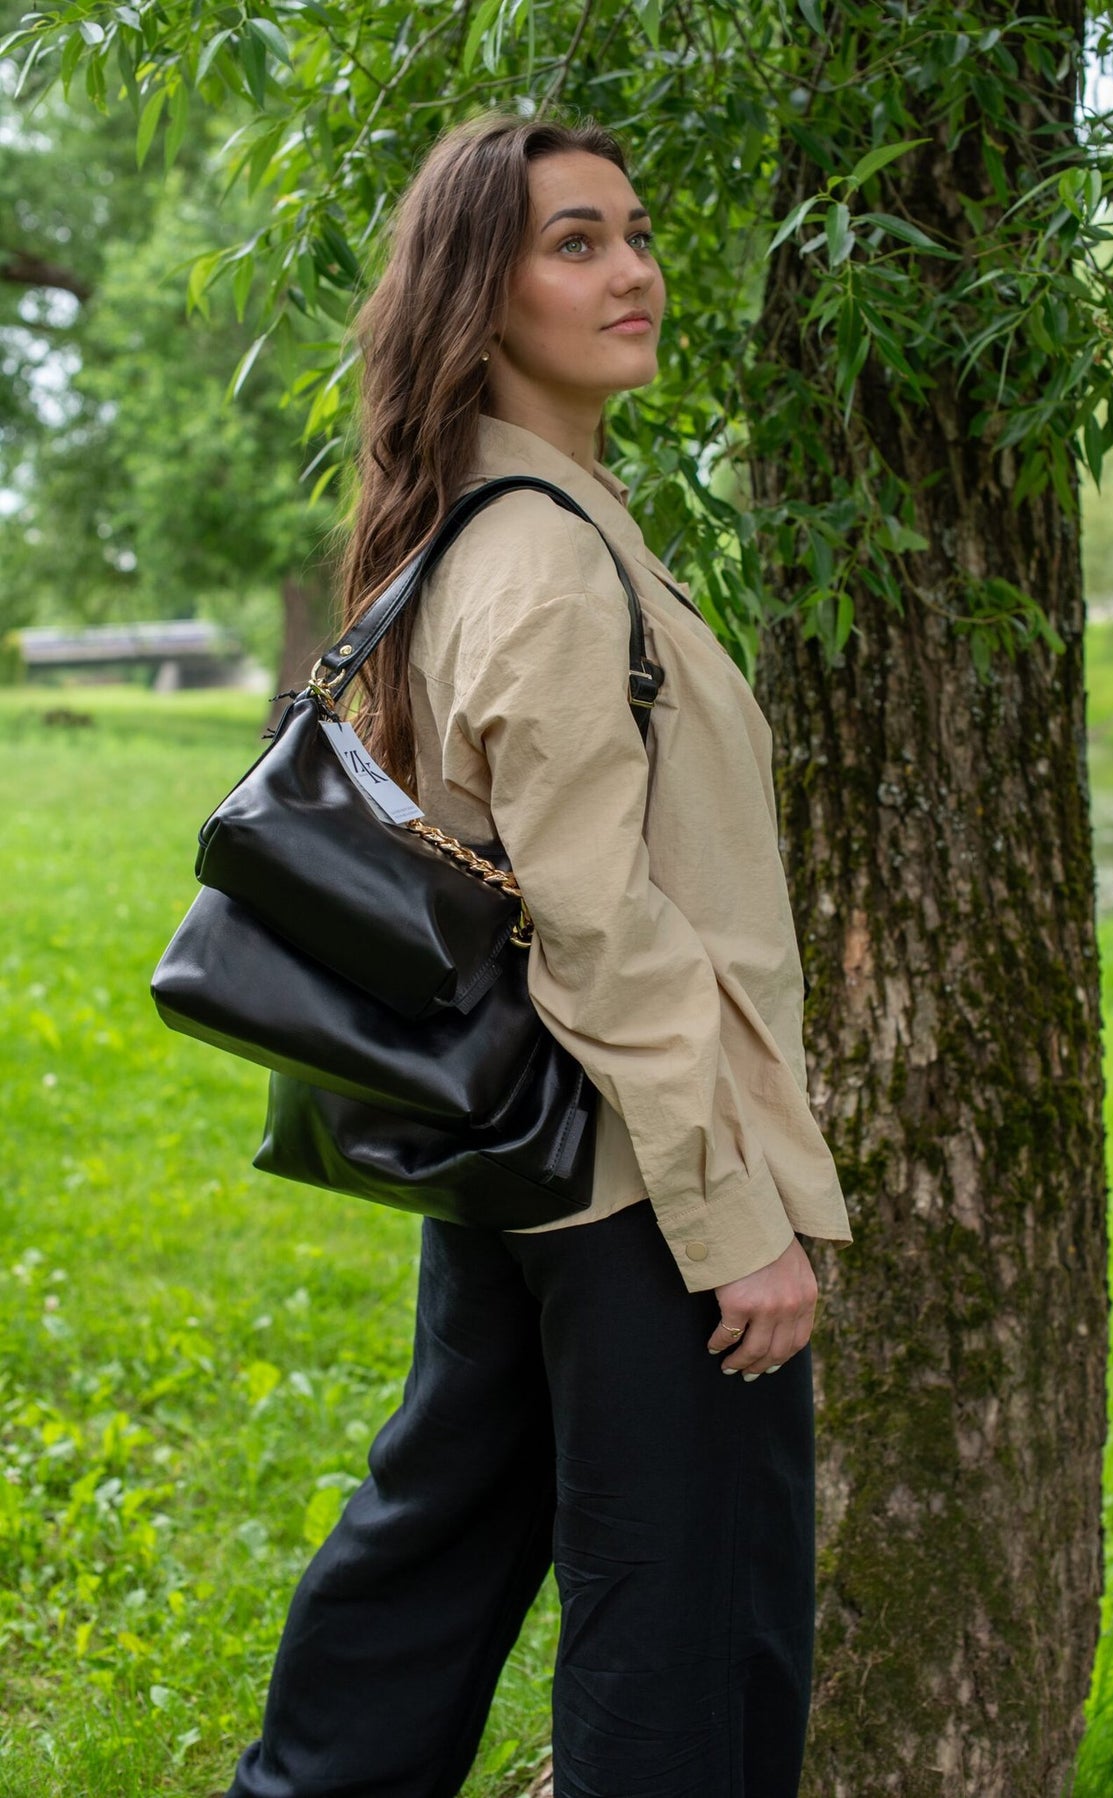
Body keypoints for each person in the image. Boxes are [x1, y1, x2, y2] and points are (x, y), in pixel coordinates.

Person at [223, 113, 851, 1798]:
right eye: (576, 242)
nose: (633, 270)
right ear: (482, 296)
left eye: (635, 232)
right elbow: (602, 925)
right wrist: (739, 1227)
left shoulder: (487, 528)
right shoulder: (548, 562)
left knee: (426, 1561)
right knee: (689, 1639)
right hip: (642, 1180)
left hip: (519, 1169)